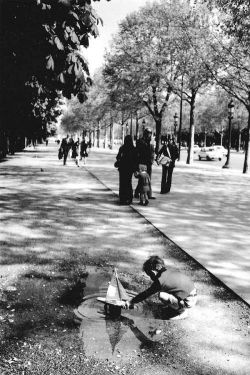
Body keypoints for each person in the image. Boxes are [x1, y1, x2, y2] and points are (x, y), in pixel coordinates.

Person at [123, 255, 197, 320]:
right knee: (166, 292)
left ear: (153, 271)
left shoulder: (160, 281)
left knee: (162, 295)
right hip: (192, 293)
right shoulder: (166, 271)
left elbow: (145, 294)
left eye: (150, 275)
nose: (150, 278)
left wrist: (131, 302)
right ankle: (176, 305)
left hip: (189, 301)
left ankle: (181, 312)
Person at [115, 135, 137, 205]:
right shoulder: (133, 149)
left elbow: (118, 157)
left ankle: (122, 198)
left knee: (122, 183)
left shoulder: (122, 148)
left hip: (122, 168)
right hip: (130, 169)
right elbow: (135, 159)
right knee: (128, 183)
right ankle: (129, 198)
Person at [135, 127, 155, 199]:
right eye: (148, 133)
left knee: (148, 178)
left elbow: (152, 152)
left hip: (149, 163)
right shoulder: (140, 141)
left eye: (150, 134)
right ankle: (137, 192)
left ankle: (149, 194)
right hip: (142, 163)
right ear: (145, 134)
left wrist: (152, 160)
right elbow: (138, 152)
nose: (149, 135)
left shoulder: (151, 142)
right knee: (142, 178)